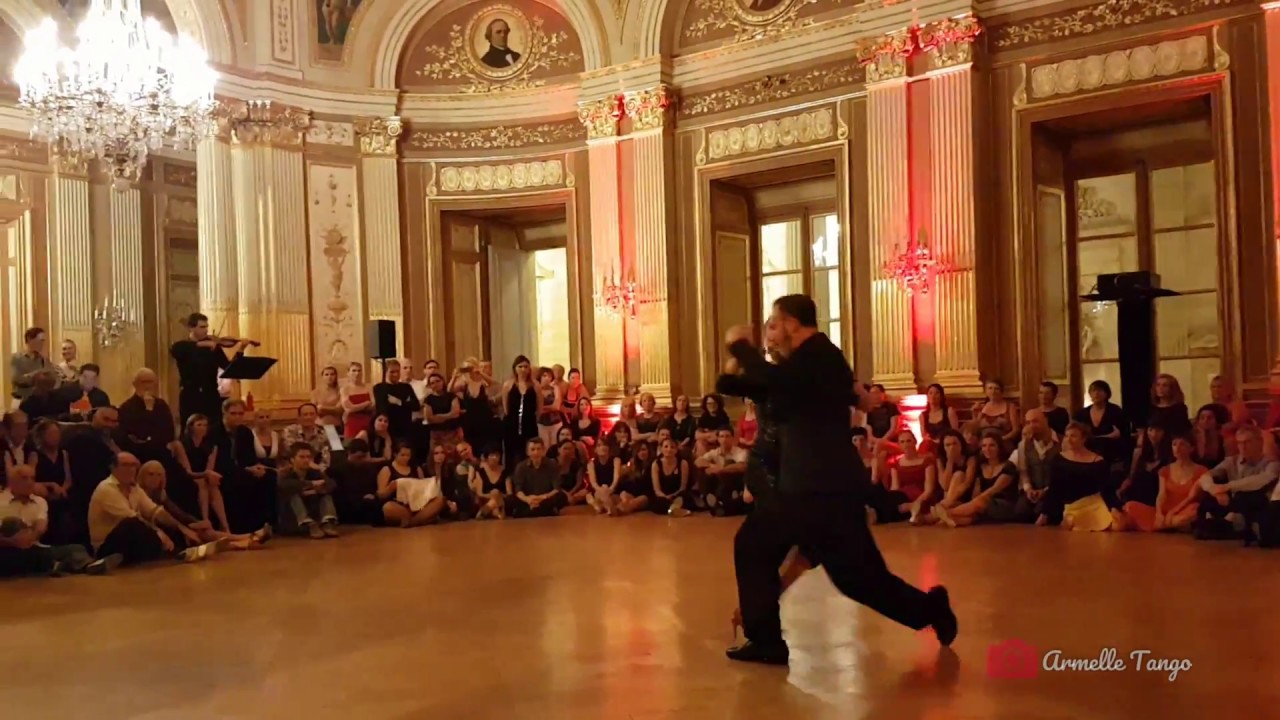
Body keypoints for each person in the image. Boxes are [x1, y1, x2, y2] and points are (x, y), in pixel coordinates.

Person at [722, 295, 955, 666]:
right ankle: (765, 639)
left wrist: (740, 347)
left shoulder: (820, 355)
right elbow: (749, 384)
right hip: (805, 489)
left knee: (858, 579)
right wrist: (737, 361)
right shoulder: (803, 365)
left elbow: (781, 381)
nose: (773, 331)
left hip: (825, 489)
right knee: (763, 548)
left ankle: (931, 609)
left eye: (776, 323)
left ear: (793, 323)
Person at [89, 452, 221, 565]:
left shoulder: (135, 488)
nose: (131, 469)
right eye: (125, 465)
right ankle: (178, 553)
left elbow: (156, 511)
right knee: (133, 524)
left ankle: (189, 548)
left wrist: (182, 529)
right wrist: (158, 533)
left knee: (166, 521)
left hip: (131, 541)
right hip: (106, 546)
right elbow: (132, 518)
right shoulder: (107, 489)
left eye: (133, 465)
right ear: (113, 467)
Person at [0, 465, 121, 577]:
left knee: (76, 548)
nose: (30, 482)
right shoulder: (2, 501)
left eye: (32, 478)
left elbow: (41, 526)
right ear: (12, 482)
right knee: (11, 523)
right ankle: (53, 565)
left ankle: (89, 565)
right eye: (24, 478)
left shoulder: (39, 501)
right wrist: (12, 542)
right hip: (6, 548)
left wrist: (29, 538)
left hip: (33, 546)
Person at [170, 313, 250, 429]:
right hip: (190, 396)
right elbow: (175, 350)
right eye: (202, 327)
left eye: (206, 327)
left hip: (211, 396)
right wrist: (202, 344)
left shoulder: (213, 347)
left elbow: (229, 368)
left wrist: (241, 349)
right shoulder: (182, 346)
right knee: (190, 429)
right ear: (191, 328)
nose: (206, 330)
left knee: (214, 429)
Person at [277, 443, 340, 539]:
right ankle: (308, 524)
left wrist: (315, 490)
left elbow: (331, 484)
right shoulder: (285, 473)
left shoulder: (314, 472)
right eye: (302, 457)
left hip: (312, 510)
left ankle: (327, 522)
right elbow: (285, 485)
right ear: (292, 459)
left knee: (326, 494)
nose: (306, 460)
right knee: (293, 495)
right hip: (292, 518)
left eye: (308, 457)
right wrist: (311, 484)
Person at [508, 438, 565, 518]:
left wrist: (542, 497)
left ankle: (531, 511)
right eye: (533, 449)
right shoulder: (521, 467)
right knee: (510, 499)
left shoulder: (552, 465)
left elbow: (556, 489)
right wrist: (527, 499)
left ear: (543, 450)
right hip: (528, 500)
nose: (536, 452)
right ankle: (540, 511)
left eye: (539, 449)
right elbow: (518, 490)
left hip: (545, 499)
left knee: (561, 497)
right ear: (527, 452)